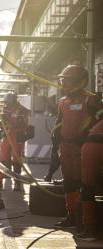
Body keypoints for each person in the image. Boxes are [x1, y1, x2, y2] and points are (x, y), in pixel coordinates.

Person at [53, 65, 100, 228]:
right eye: (63, 80)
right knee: (68, 182)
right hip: (66, 147)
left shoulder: (91, 100)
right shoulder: (63, 101)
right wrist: (54, 149)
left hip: (84, 148)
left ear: (79, 81)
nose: (64, 84)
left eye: (67, 81)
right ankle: (71, 215)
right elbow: (58, 124)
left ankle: (86, 220)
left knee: (85, 184)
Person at [74, 109, 103, 241]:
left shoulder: (96, 119)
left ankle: (90, 230)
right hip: (92, 147)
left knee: (87, 188)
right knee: (88, 188)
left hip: (90, 147)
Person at [0, 92, 29, 191]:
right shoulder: (5, 109)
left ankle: (17, 183)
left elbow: (24, 124)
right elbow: (2, 123)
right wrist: (2, 124)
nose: (6, 105)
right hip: (7, 136)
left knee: (16, 160)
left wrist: (12, 125)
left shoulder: (23, 110)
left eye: (8, 103)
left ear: (13, 101)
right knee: (2, 158)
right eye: (6, 103)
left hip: (17, 137)